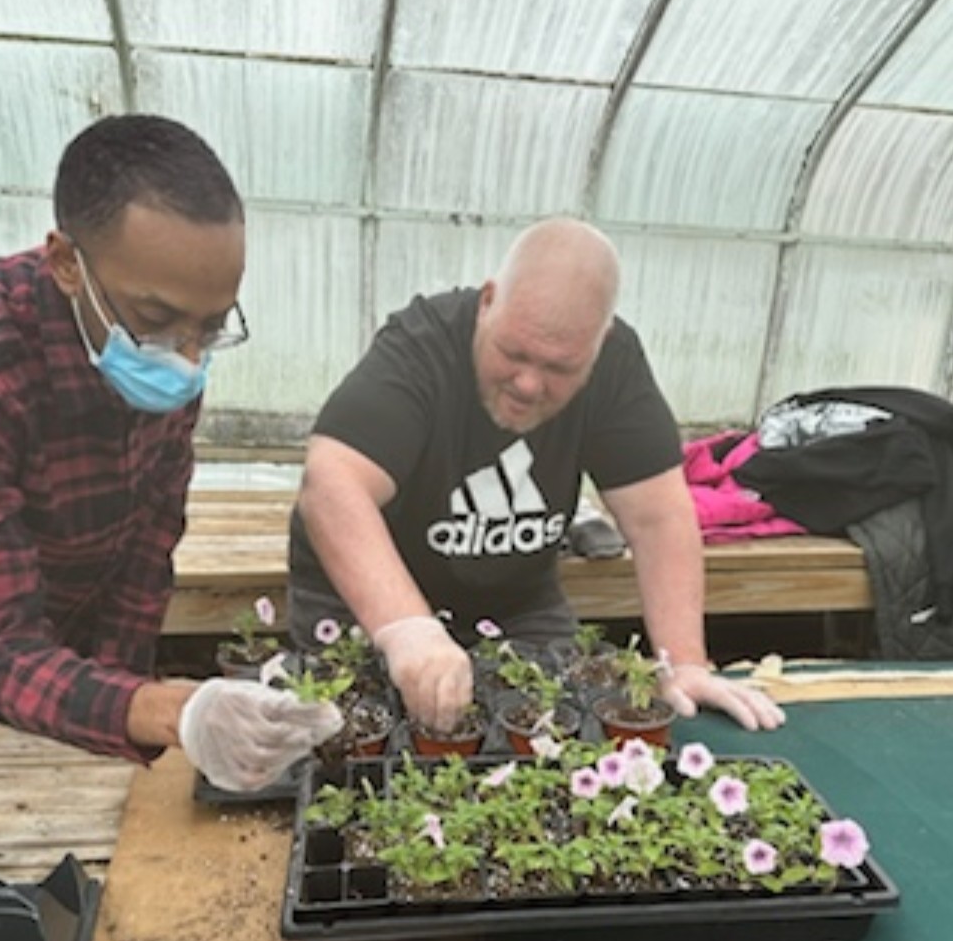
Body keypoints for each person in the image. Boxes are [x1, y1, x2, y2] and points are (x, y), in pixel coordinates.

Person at [0, 114, 340, 792]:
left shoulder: (169, 351)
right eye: (159, 321)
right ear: (68, 264)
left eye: (212, 326)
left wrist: (124, 694)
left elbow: (148, 540)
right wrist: (167, 710)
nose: (189, 359)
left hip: (72, 653)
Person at [289, 217, 784, 735]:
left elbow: (658, 516)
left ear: (601, 341)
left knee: (551, 738)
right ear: (487, 302)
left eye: (560, 368)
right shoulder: (421, 346)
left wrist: (684, 662)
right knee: (367, 741)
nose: (528, 384)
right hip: (368, 596)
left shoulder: (616, 366)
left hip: (514, 596)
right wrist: (407, 628)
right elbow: (331, 485)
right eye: (514, 353)